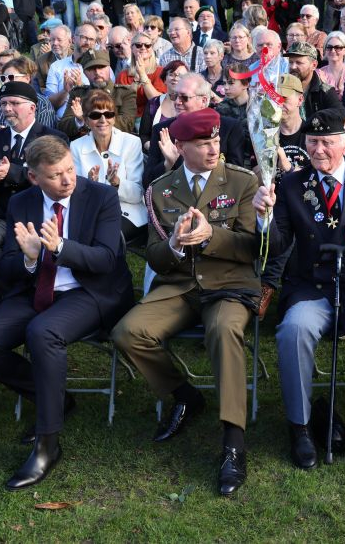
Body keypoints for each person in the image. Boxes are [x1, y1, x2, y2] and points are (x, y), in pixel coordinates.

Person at [0, 136, 134, 490]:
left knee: (43, 333)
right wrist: (28, 257)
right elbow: (8, 266)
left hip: (89, 291)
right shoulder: (22, 202)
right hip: (34, 288)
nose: (68, 179)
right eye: (55, 175)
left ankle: (48, 444)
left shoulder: (100, 196)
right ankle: (55, 397)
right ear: (34, 177)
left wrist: (60, 248)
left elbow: (106, 259)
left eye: (69, 169)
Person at [113, 108, 258, 497]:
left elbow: (253, 248)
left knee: (224, 328)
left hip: (228, 283)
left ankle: (233, 442)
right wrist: (175, 245)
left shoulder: (243, 181)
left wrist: (212, 236)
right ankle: (184, 395)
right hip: (179, 285)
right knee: (129, 332)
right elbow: (154, 254)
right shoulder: (160, 189)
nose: (213, 149)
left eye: (215, 140)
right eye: (202, 143)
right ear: (180, 146)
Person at [251, 107, 345, 471]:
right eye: (312, 142)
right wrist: (265, 218)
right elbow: (274, 247)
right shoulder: (290, 186)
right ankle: (301, 428)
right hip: (312, 287)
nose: (318, 150)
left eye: (326, 142)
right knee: (293, 330)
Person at [0, 81, 68, 249]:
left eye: (14, 103)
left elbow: (54, 177)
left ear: (32, 108)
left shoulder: (53, 139)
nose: (6, 108)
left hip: (38, 216)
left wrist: (11, 172)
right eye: (3, 103)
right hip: (0, 216)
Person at [69, 90, 146, 243]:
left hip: (126, 210)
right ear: (85, 120)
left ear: (114, 117)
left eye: (109, 114)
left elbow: (137, 194)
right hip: (90, 211)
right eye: (96, 115)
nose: (103, 120)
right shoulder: (76, 146)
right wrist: (90, 184)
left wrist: (116, 183)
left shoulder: (131, 142)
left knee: (102, 235)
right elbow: (74, 192)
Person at [316, 31, 345, 97]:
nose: (333, 51)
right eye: (329, 47)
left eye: (337, 47)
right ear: (325, 50)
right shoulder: (318, 74)